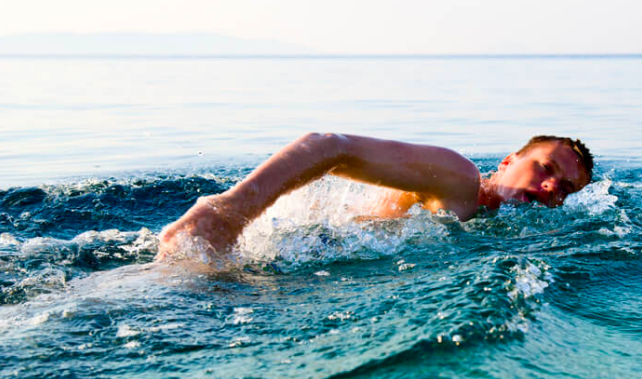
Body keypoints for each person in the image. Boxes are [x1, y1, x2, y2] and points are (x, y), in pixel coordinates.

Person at [157, 133, 594, 258]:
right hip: (298, 249)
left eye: (567, 188)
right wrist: (227, 213)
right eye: (545, 167)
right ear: (506, 161)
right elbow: (330, 146)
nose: (553, 185)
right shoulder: (458, 180)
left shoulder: (514, 233)